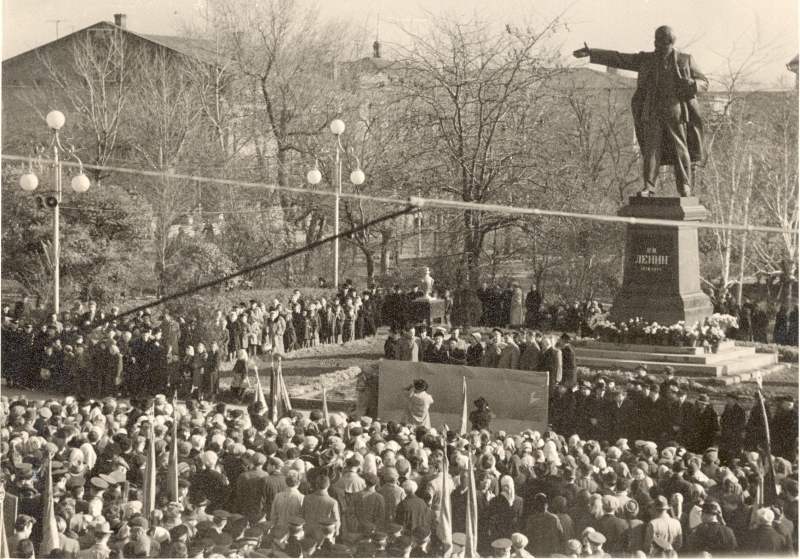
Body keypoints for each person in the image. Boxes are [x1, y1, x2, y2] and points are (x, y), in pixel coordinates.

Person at [573, 25, 708, 197]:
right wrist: (592, 53)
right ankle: (649, 187)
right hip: (652, 110)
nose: (655, 43)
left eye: (659, 39)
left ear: (669, 41)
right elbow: (619, 58)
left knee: (679, 148)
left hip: (675, 111)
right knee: (651, 149)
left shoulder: (685, 59)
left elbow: (704, 82)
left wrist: (693, 84)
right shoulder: (646, 59)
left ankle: (685, 187)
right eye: (655, 39)